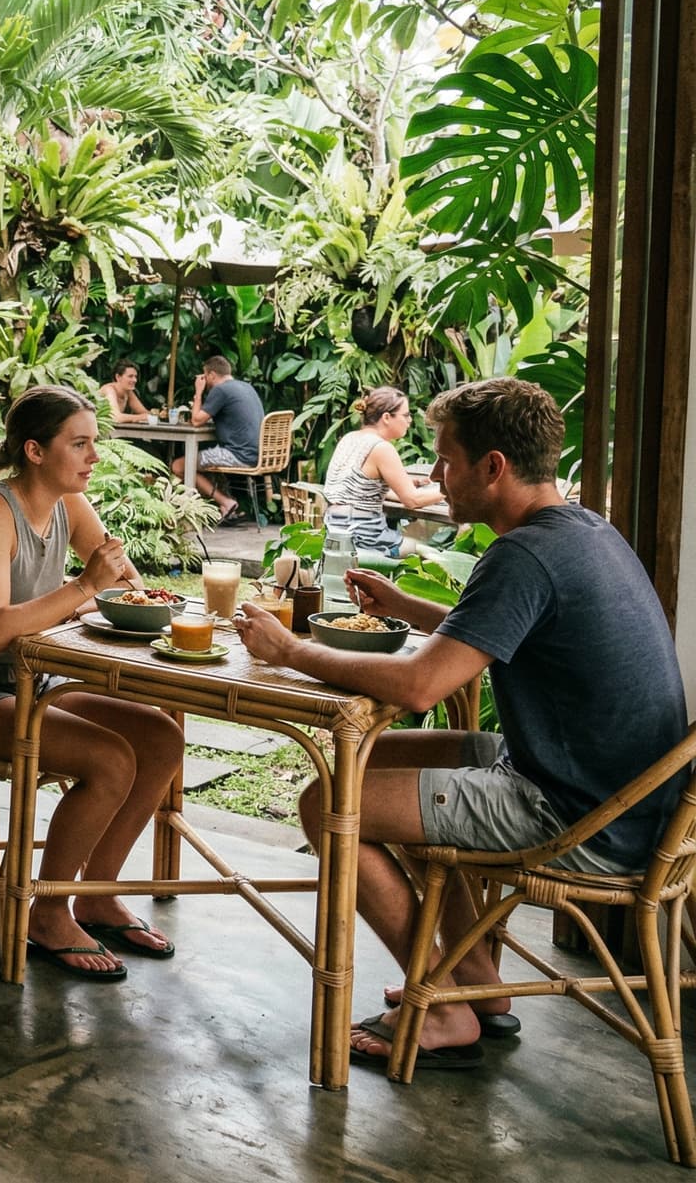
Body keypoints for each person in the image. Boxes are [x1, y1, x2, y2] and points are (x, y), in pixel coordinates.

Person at [233, 378, 688, 1072]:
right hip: (621, 796)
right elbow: (495, 633)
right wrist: (407, 606)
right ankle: (476, 980)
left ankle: (442, 1006)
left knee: (328, 805)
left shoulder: (523, 555)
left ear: (494, 467)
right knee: (371, 765)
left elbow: (420, 685)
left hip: (576, 814)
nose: (435, 475)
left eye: (446, 460)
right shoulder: (583, 527)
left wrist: (291, 650)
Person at [0, 385, 186, 980]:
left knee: (160, 739)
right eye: (79, 444)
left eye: (93, 443)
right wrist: (84, 590)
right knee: (109, 760)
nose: (93, 457)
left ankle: (97, 894)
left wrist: (124, 592)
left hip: (33, 679)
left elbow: (121, 583)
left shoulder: (70, 506)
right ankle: (49, 912)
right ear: (34, 450)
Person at [322, 386, 446, 556]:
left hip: (336, 534)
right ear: (386, 417)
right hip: (365, 540)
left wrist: (409, 484)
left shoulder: (349, 439)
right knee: (433, 553)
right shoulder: (381, 448)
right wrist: (452, 488)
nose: (409, 420)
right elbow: (412, 500)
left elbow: (363, 491)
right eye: (405, 415)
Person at [176, 354, 264, 525]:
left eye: (204, 375)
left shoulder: (221, 390)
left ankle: (225, 502)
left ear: (211, 375)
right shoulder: (246, 387)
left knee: (179, 466)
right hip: (256, 453)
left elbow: (196, 421)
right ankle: (222, 506)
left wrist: (198, 392)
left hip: (238, 455)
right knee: (199, 459)